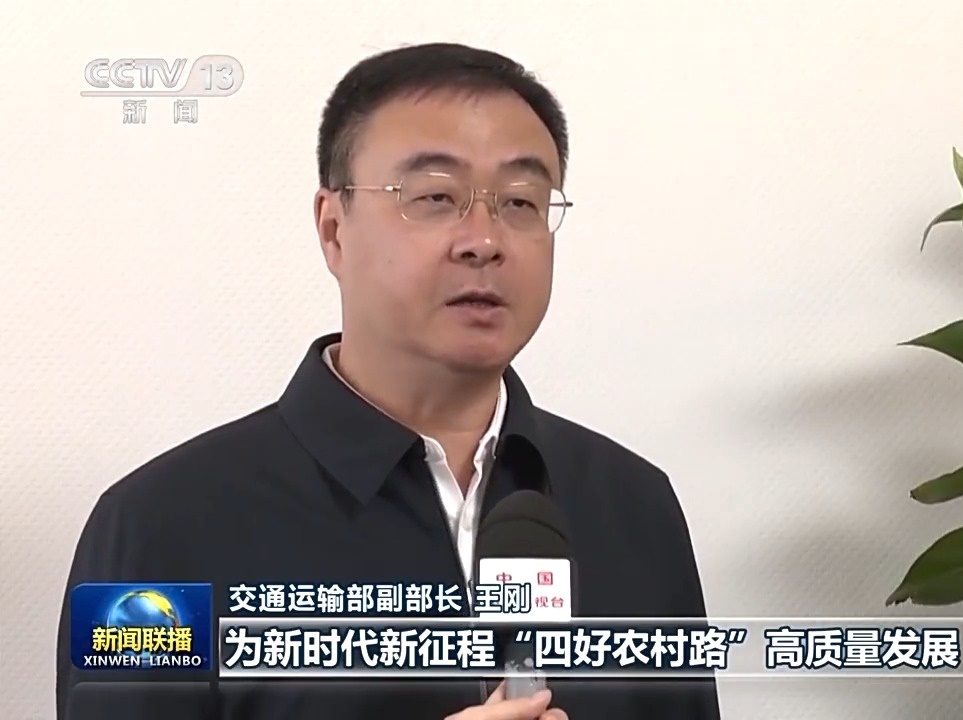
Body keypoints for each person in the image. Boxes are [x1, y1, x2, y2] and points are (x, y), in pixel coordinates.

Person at [56, 43, 720, 720]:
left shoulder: (635, 507)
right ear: (333, 229)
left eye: (521, 202)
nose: (484, 240)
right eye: (435, 197)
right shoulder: (158, 527)